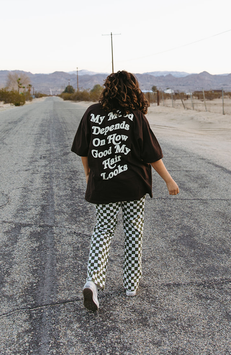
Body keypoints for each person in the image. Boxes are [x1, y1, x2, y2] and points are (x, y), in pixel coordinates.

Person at [71, 70, 179, 311]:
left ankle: (93, 282)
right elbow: (152, 155)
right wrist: (169, 180)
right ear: (133, 89)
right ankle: (131, 284)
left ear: (108, 88)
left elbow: (84, 150)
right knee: (133, 231)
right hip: (132, 186)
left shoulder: (92, 113)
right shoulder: (136, 116)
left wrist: (88, 174)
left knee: (103, 231)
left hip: (104, 185)